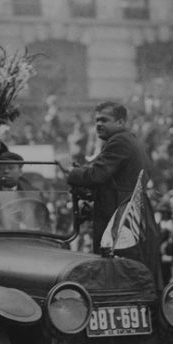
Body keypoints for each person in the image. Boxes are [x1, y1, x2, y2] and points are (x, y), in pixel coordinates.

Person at [62, 101, 152, 252]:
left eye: (104, 120)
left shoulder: (119, 141)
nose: (98, 124)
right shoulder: (131, 140)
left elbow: (96, 175)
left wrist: (70, 172)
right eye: (96, 120)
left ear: (120, 122)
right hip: (129, 218)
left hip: (118, 219)